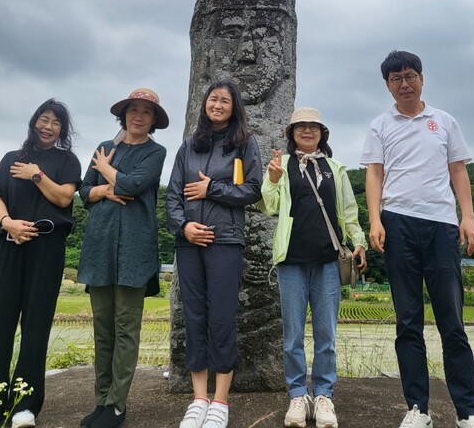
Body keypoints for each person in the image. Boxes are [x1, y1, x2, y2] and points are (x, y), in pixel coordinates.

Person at [361, 50, 474, 428]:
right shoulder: (380, 125)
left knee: (452, 320)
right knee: (408, 320)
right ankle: (418, 408)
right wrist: (375, 219)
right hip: (398, 223)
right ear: (387, 85)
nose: (404, 83)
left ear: (422, 78)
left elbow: (458, 171)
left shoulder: (444, 121)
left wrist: (468, 217)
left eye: (410, 75)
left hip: (441, 225)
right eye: (396, 78)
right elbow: (374, 175)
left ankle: (468, 411)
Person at [0, 99, 82, 428]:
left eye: (55, 123)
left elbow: (63, 197)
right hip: (9, 244)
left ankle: (25, 405)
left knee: (35, 327)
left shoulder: (66, 160)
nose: (48, 127)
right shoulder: (10, 159)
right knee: (0, 325)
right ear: (34, 122)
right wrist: (8, 223)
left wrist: (36, 176)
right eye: (43, 120)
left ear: (62, 130)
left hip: (47, 248)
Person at [260, 107, 367, 428]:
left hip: (327, 261)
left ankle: (323, 395)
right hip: (291, 259)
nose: (307, 131)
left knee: (327, 335)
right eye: (300, 127)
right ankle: (297, 394)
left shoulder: (335, 168)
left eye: (313, 127)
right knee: (292, 334)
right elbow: (270, 206)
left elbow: (348, 210)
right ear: (292, 134)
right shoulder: (283, 165)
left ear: (322, 133)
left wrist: (359, 240)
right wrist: (273, 179)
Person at [165, 80, 263, 428]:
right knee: (193, 316)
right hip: (190, 243)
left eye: (225, 100)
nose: (217, 104)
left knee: (221, 317)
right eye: (213, 99)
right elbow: (173, 196)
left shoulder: (245, 143)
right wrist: (184, 228)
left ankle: (220, 401)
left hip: (225, 241)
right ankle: (198, 399)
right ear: (204, 104)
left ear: (234, 107)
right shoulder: (188, 146)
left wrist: (212, 188)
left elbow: (252, 189)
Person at [77, 88, 169, 428]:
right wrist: (101, 188)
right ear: (124, 115)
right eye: (134, 110)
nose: (139, 116)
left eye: (147, 112)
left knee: (126, 329)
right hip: (99, 248)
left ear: (154, 120)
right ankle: (100, 401)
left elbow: (132, 185)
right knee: (103, 330)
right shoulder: (106, 147)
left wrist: (107, 170)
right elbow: (84, 190)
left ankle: (117, 405)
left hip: (134, 250)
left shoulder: (155, 152)